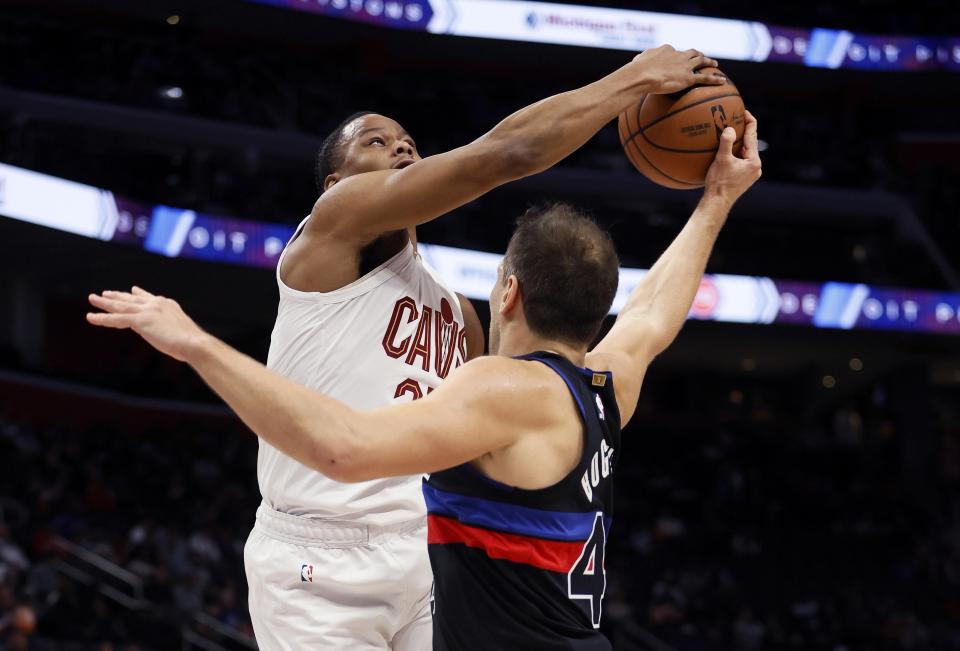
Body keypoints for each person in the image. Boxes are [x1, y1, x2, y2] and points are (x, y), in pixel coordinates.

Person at [88, 110, 760, 649]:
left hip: (419, 559)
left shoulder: (486, 360)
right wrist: (718, 199)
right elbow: (647, 321)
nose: (403, 149)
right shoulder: (602, 387)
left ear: (509, 293)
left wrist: (197, 343)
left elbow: (345, 446)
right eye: (379, 141)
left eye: (409, 141)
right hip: (324, 558)